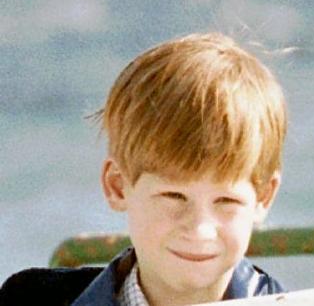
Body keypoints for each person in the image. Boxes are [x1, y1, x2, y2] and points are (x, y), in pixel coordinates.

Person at [0, 34, 287, 306]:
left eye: (226, 201)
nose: (199, 229)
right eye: (174, 196)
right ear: (117, 186)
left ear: (263, 197)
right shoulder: (28, 300)